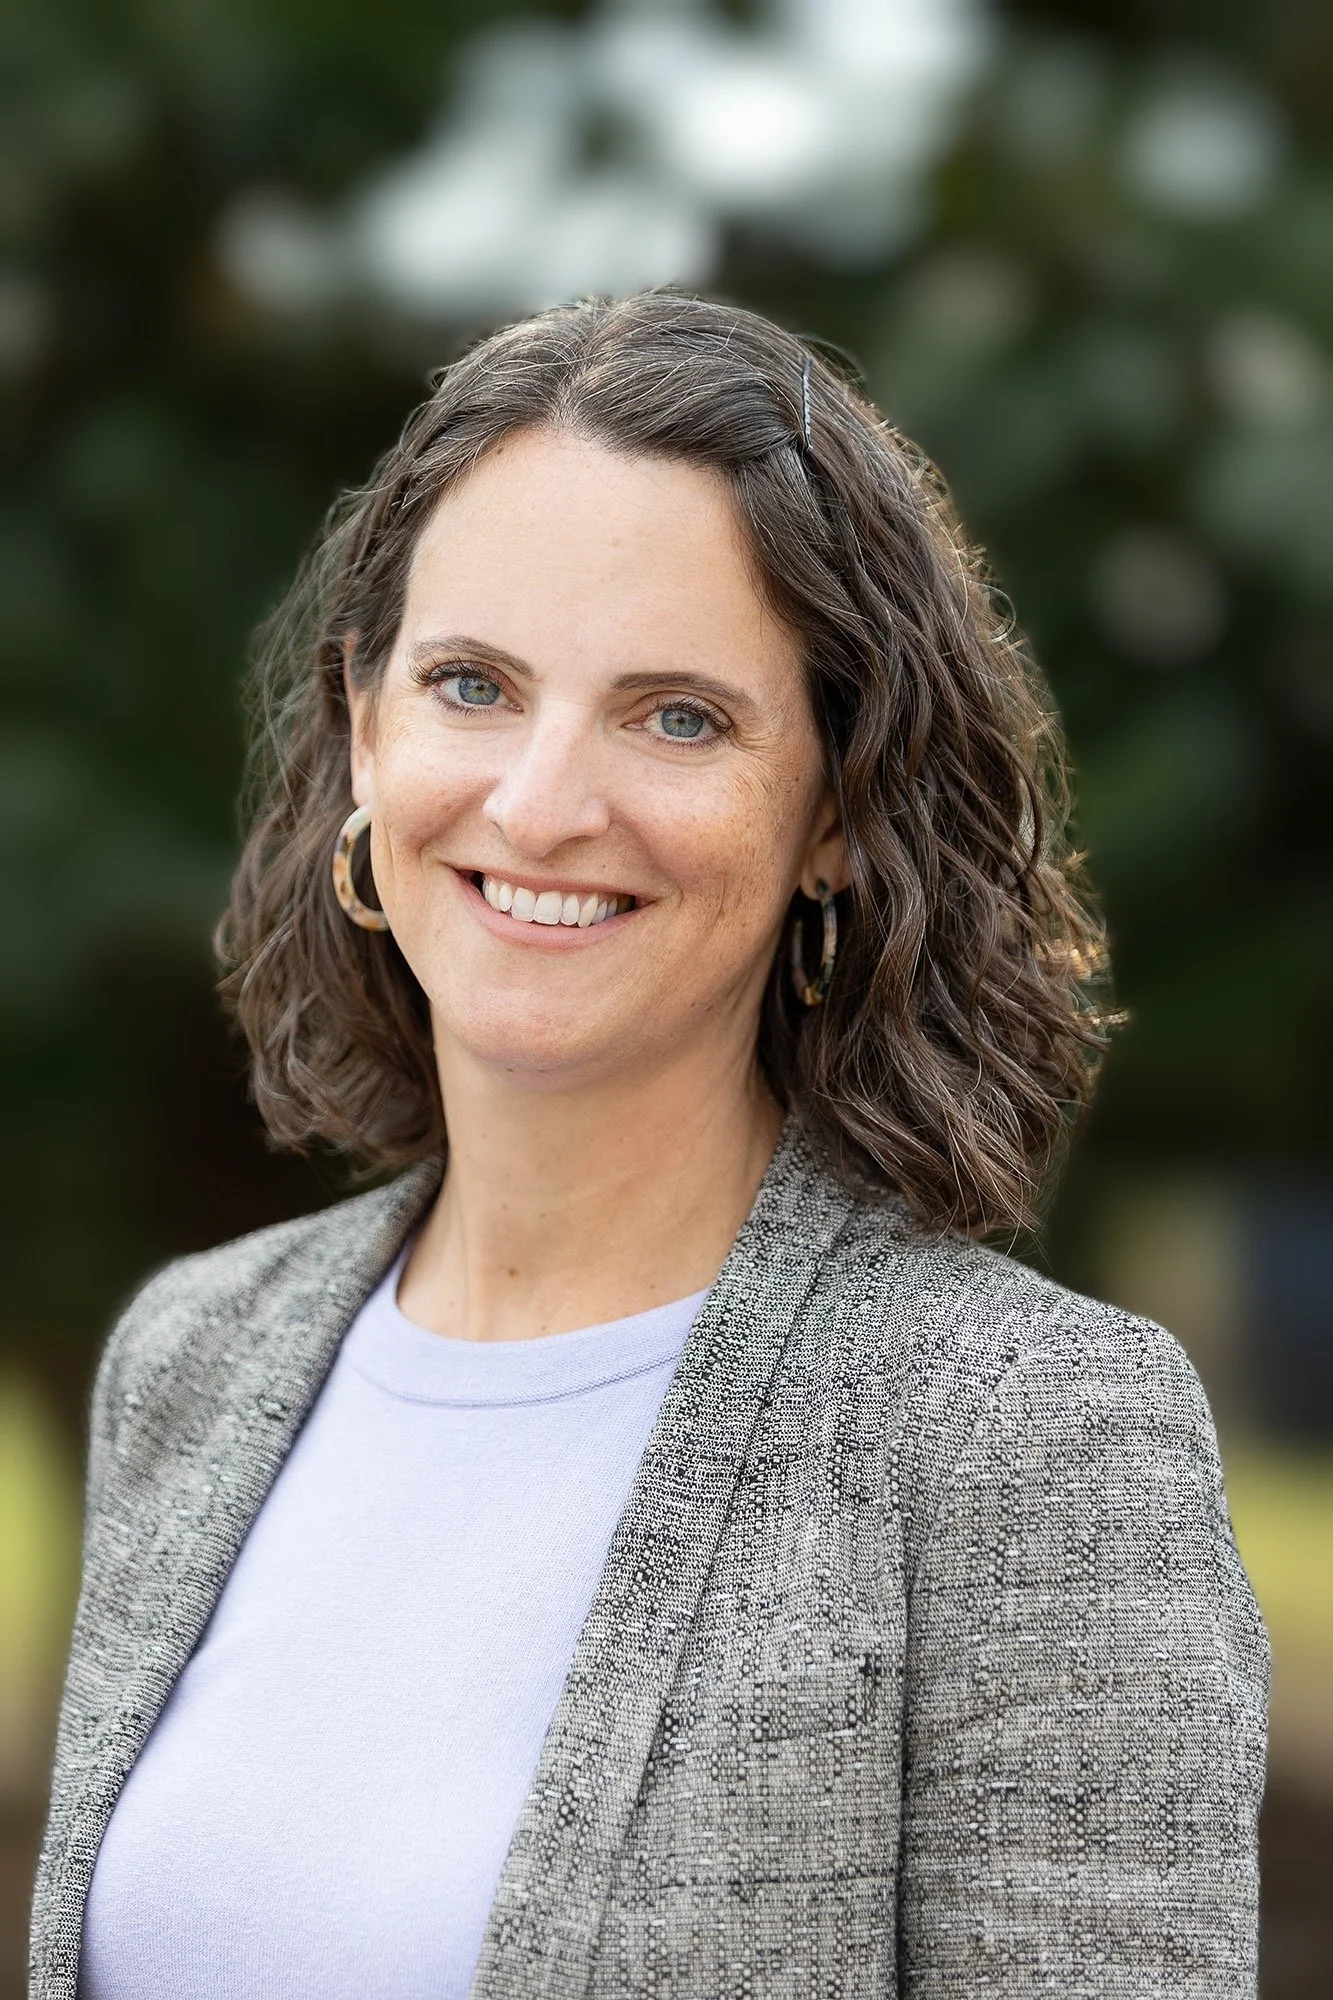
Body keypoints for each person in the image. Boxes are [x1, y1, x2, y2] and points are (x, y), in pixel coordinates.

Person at [32, 290, 1267, 2000]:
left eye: (676, 715)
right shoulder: (193, 1360)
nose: (542, 805)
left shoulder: (1027, 1437)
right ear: (368, 728)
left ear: (838, 810)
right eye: (472, 685)